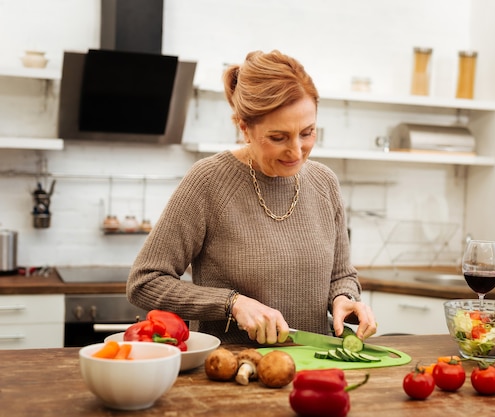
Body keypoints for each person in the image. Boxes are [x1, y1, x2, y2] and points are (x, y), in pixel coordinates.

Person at [127, 50, 377, 345]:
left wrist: (344, 299)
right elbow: (145, 282)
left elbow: (341, 275)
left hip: (315, 368)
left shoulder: (324, 182)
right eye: (278, 137)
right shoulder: (208, 181)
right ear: (244, 128)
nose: (296, 152)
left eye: (307, 133)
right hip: (232, 370)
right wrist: (231, 303)